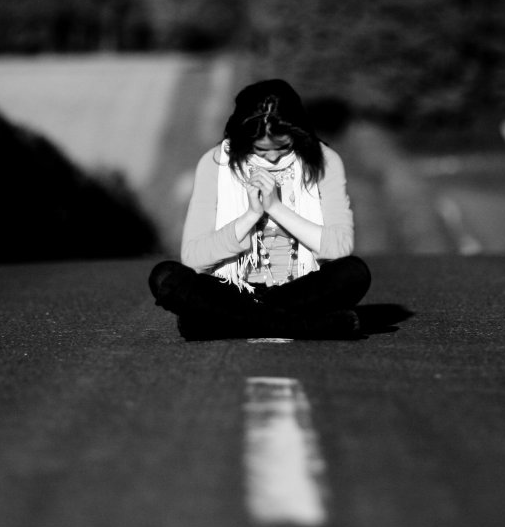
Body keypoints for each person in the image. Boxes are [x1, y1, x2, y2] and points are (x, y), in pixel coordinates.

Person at [148, 78, 371, 339]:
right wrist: (250, 216)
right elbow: (194, 257)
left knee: (354, 272)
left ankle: (217, 320)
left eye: (284, 147)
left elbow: (339, 246)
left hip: (298, 289)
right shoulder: (214, 164)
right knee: (164, 277)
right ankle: (309, 326)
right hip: (233, 288)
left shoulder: (325, 162)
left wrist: (275, 208)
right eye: (261, 151)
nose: (273, 158)